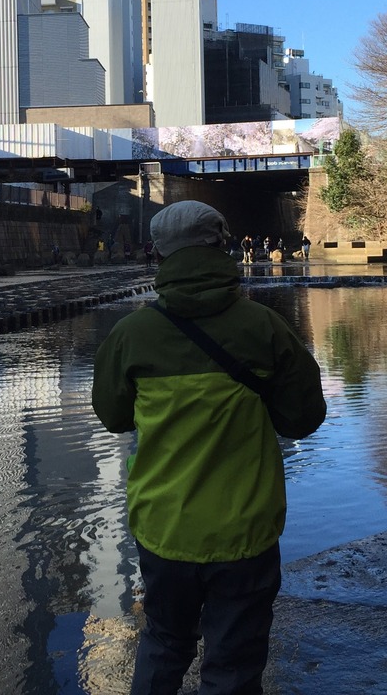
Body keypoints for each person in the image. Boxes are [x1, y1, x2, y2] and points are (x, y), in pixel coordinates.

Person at [93, 200, 326, 694]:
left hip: (163, 527)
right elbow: (304, 420)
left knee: (163, 642)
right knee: (234, 666)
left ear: (159, 255)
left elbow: (113, 418)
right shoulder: (264, 328)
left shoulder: (129, 335)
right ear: (222, 246)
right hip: (245, 529)